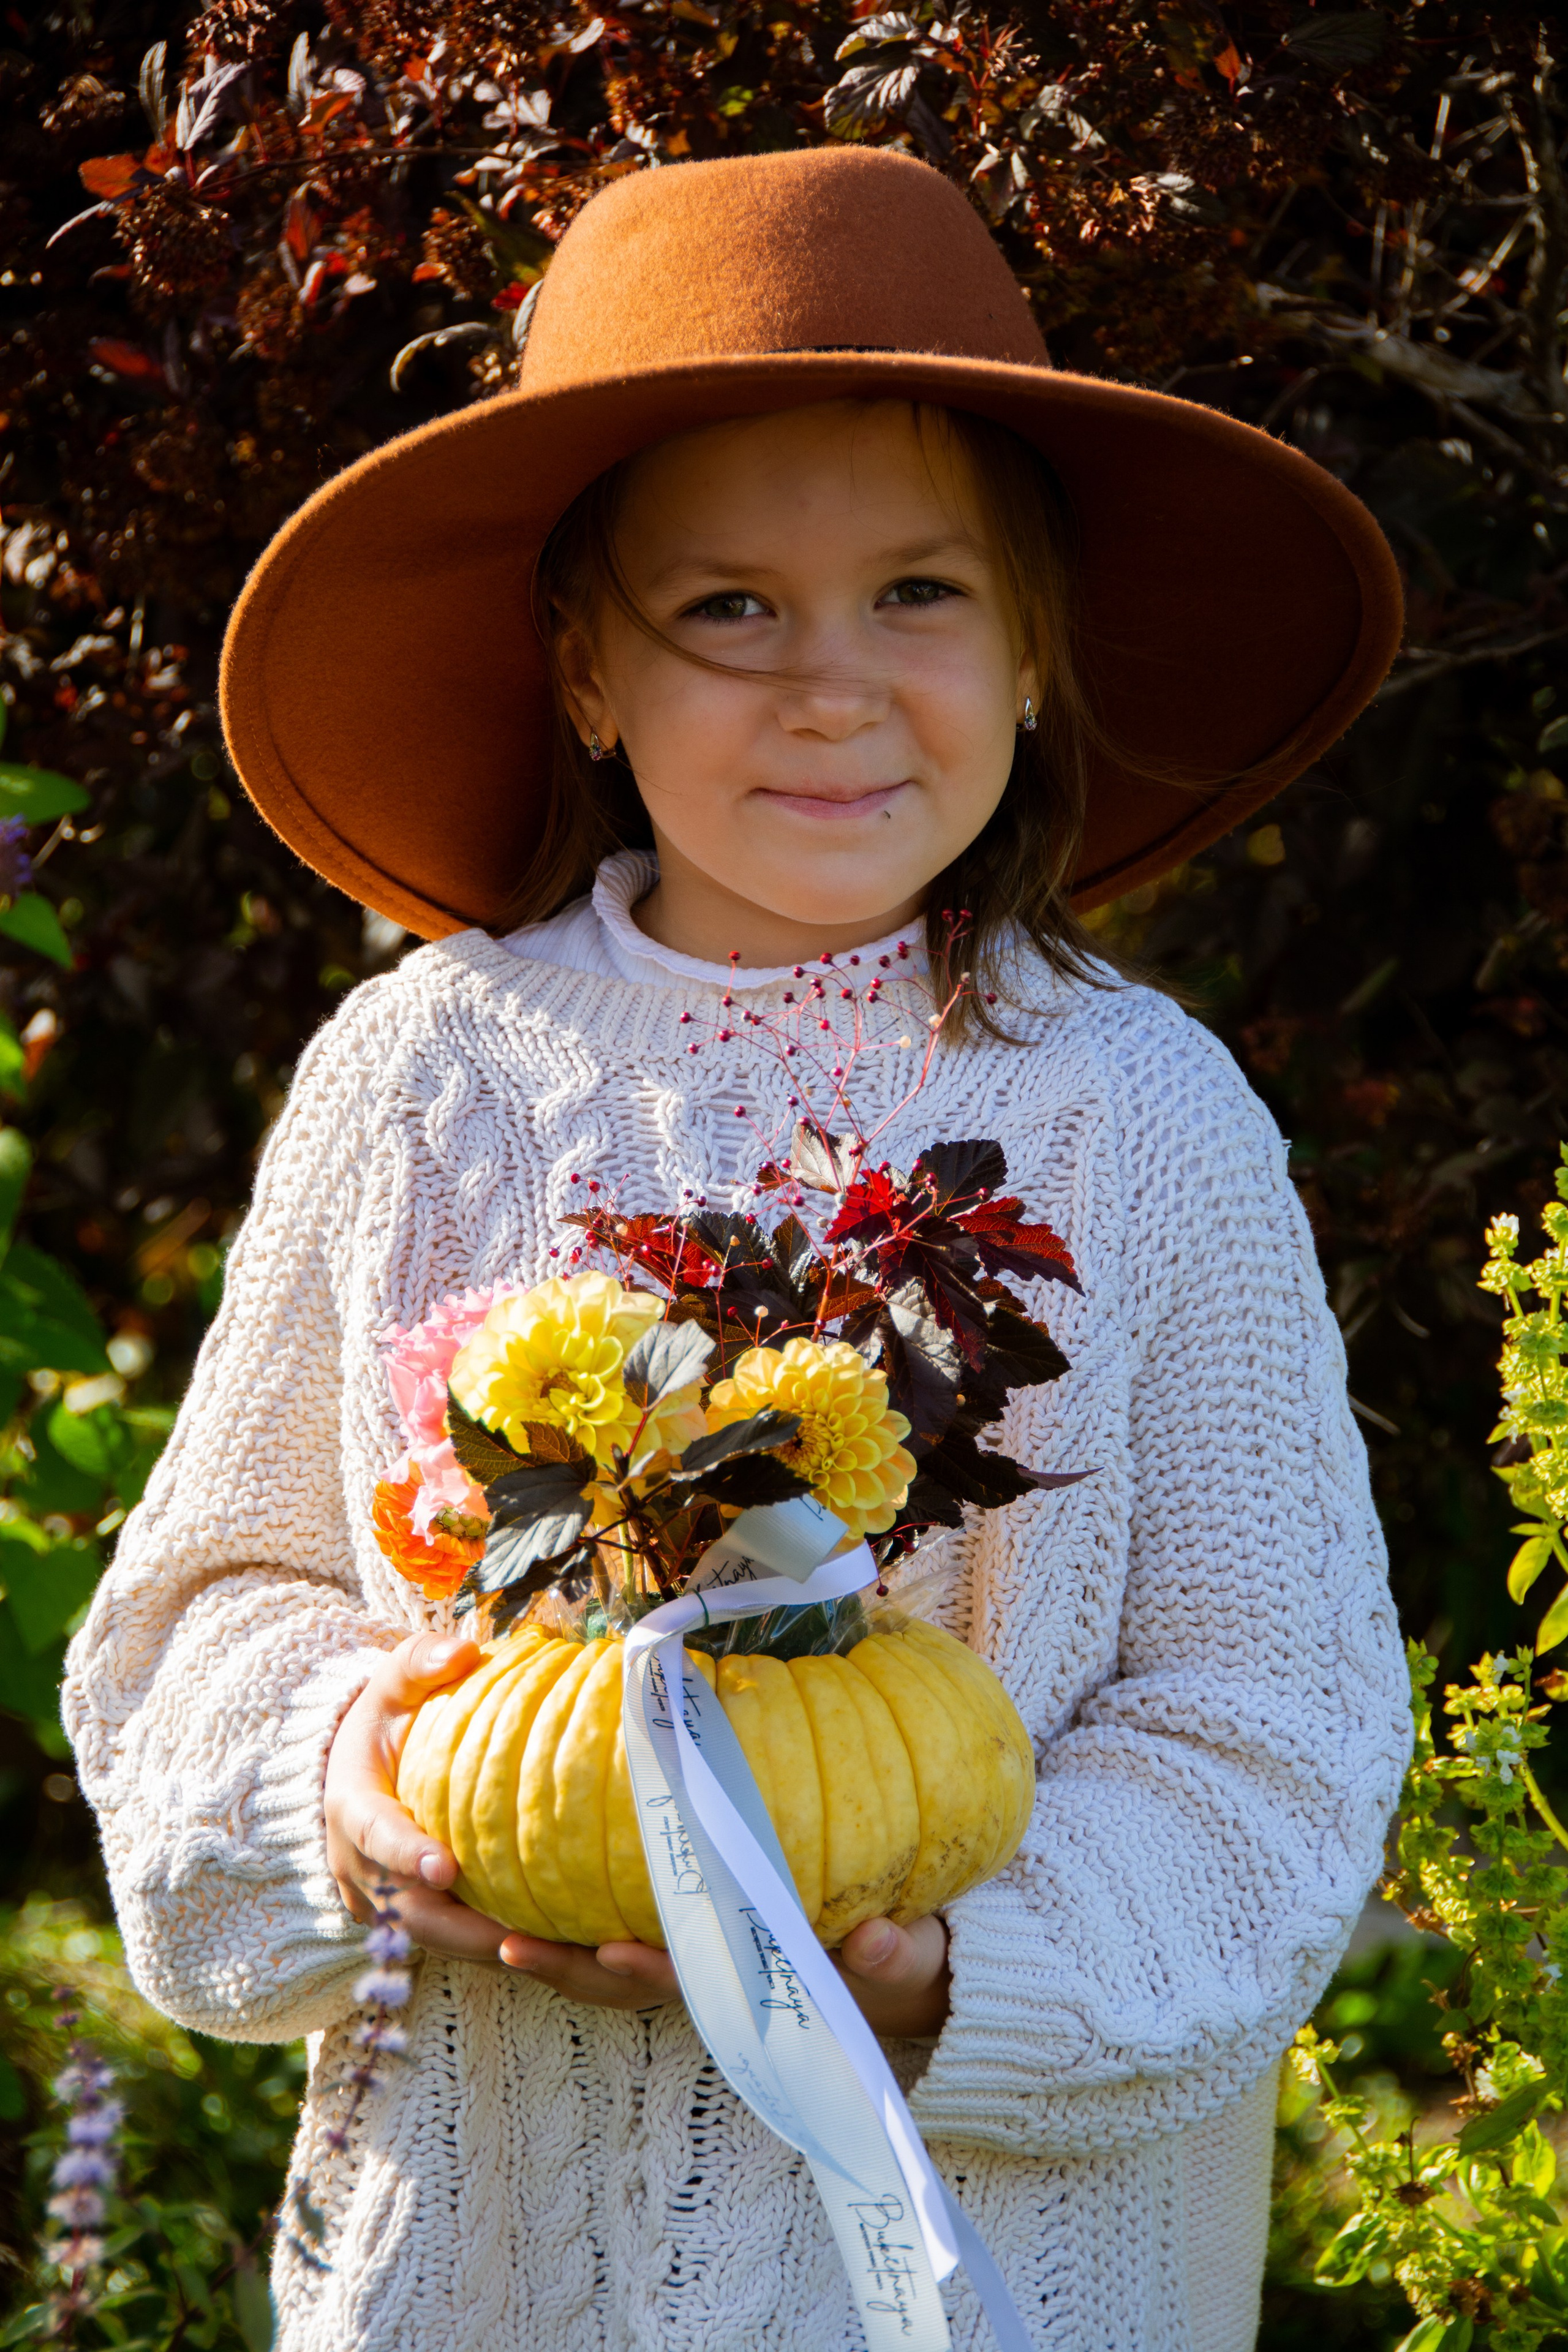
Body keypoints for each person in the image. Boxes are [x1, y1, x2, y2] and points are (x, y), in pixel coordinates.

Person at [64, 145, 1412, 2352]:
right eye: (729, 612)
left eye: (919, 595)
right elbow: (210, 1610)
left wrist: (949, 1975)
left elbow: (1267, 1722)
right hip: (494, 2258)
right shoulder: (424, 1080)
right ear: (585, 670)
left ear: (1038, 648)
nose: (829, 687)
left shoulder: (1144, 1122)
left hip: (1010, 2280)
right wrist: (356, 1783)